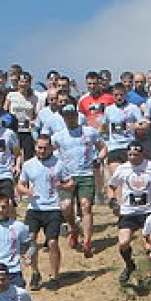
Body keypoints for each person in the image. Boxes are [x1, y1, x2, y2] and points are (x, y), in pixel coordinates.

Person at [106, 140, 151, 284]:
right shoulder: (122, 169)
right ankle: (129, 265)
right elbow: (111, 185)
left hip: (149, 211)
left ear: (142, 154)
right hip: (129, 212)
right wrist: (112, 200)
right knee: (123, 242)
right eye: (130, 155)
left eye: (136, 155)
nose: (133, 157)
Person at [17, 134, 73, 288]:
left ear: (50, 148)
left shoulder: (59, 164)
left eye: (45, 148)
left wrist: (62, 186)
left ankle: (55, 276)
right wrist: (27, 191)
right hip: (34, 209)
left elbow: (70, 183)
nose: (41, 151)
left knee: (53, 242)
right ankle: (35, 273)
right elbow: (20, 185)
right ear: (35, 147)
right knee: (31, 241)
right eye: (39, 147)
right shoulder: (28, 165)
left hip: (53, 208)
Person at [51, 102, 101, 259]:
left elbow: (102, 146)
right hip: (67, 176)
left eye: (72, 114)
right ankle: (73, 227)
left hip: (86, 174)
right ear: (63, 118)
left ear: (77, 115)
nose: (70, 118)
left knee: (86, 206)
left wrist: (98, 158)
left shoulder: (89, 132)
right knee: (66, 207)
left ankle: (87, 242)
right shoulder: (57, 137)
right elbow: (47, 152)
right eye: (67, 116)